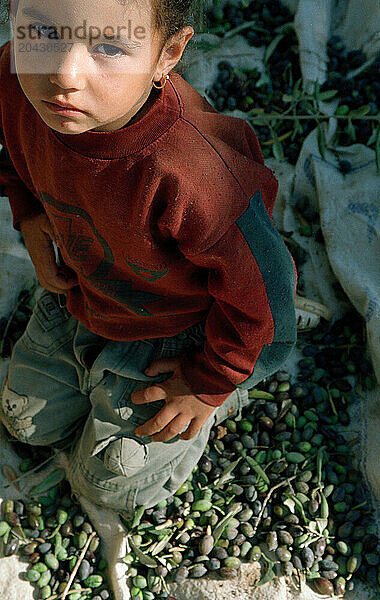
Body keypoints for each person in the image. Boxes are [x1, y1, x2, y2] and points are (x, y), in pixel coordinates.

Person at [0, 0, 297, 517]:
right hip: (83, 288)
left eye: (109, 46)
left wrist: (208, 384)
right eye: (41, 32)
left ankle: (235, 391)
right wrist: (27, 213)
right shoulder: (17, 77)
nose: (63, 75)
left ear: (168, 53)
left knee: (108, 485)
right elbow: (11, 148)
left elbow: (267, 299)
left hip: (172, 331)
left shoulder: (197, 175)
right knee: (24, 423)